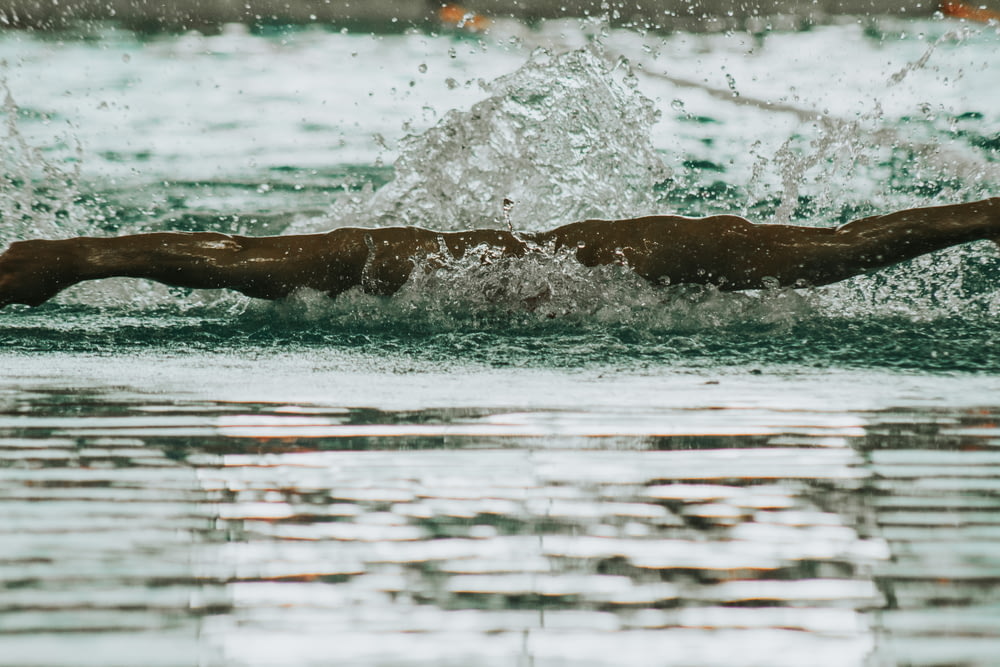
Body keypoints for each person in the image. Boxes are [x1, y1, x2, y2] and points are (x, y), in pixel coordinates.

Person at [0, 198, 997, 309]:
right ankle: (65, 258)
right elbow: (862, 245)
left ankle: (66, 257)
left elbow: (860, 244)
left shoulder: (693, 253)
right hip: (421, 262)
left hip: (423, 260)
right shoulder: (701, 255)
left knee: (256, 264)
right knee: (256, 267)